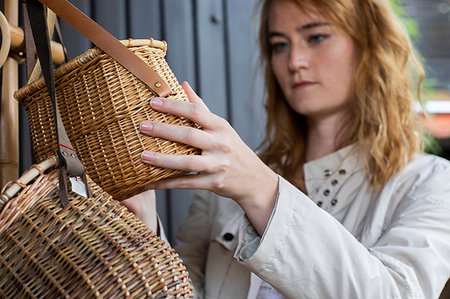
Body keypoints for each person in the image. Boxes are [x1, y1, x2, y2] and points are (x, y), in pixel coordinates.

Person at [121, 0, 450, 298]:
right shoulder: (222, 190)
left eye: (316, 37)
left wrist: (262, 191)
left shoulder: (430, 183)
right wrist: (146, 231)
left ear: (369, 43)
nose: (294, 61)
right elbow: (183, 292)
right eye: (280, 45)